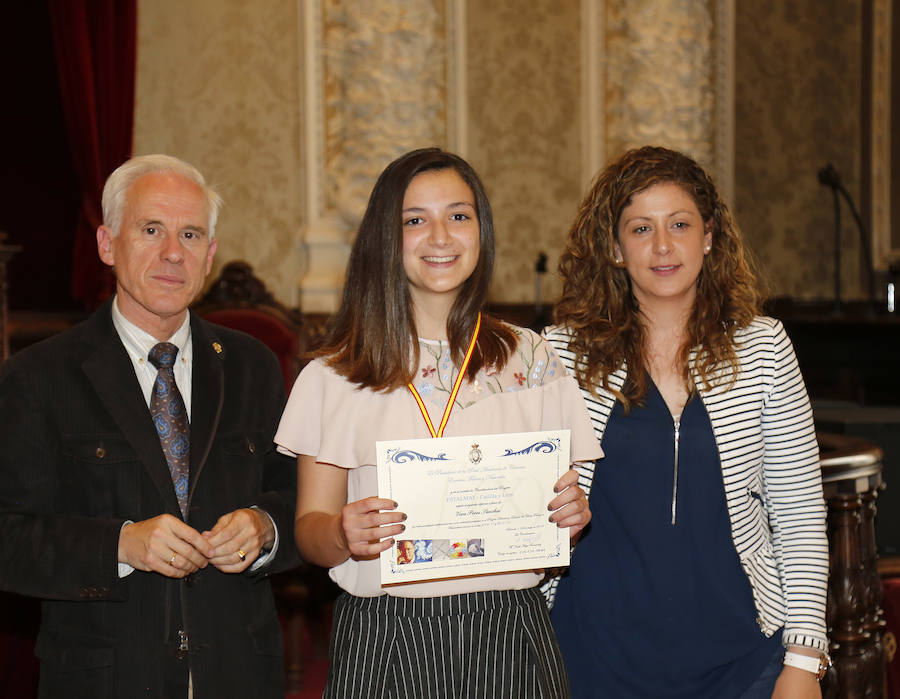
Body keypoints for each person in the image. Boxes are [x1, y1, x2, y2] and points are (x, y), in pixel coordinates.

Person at [275, 147, 602, 698]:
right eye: (414, 220)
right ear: (386, 236)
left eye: (458, 215)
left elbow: (559, 508)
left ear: (481, 229)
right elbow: (310, 530)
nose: (441, 236)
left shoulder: (531, 360)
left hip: (511, 631)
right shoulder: (337, 374)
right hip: (385, 637)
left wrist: (568, 514)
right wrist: (341, 533)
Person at [0, 154, 298, 698]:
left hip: (238, 672)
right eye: (151, 229)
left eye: (189, 234)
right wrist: (121, 544)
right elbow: (10, 538)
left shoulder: (252, 365)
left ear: (209, 256)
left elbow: (301, 498)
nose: (171, 253)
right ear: (107, 244)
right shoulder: (36, 377)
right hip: (106, 678)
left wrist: (265, 526)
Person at [544, 145, 830, 698]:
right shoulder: (558, 358)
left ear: (710, 236)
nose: (663, 245)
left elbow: (797, 515)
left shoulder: (764, 348)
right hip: (593, 656)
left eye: (679, 223)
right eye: (640, 228)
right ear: (614, 246)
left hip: (743, 656)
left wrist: (804, 656)